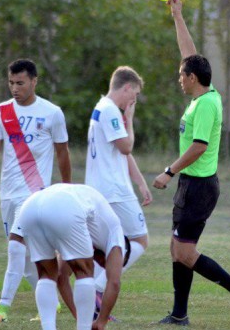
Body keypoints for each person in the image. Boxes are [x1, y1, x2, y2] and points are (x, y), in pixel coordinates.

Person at [152, 0, 230, 328]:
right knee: (175, 249)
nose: (178, 78)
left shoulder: (206, 106)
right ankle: (180, 315)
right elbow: (189, 54)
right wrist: (177, 15)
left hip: (198, 187)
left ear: (193, 78)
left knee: (184, 253)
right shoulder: (203, 94)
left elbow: (199, 146)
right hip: (192, 185)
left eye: (182, 75)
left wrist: (170, 171)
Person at [0, 58, 72, 322]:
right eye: (11, 82)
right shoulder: (2, 111)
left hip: (35, 193)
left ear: (34, 81)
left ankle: (2, 307)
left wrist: (66, 188)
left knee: (15, 246)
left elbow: (62, 153)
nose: (14, 88)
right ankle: (52, 300)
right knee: (29, 254)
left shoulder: (52, 112)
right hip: (8, 193)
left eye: (20, 83)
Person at [85, 66, 152, 315]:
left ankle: (90, 298)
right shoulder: (112, 111)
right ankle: (97, 288)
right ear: (126, 87)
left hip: (99, 189)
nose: (133, 100)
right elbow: (126, 146)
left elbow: (120, 153)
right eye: (133, 94)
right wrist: (130, 120)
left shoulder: (100, 107)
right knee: (140, 240)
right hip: (114, 192)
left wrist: (140, 182)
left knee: (103, 247)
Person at [18, 183, 127, 330]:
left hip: (29, 207)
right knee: (84, 272)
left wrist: (78, 315)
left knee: (46, 275)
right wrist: (101, 322)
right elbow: (114, 283)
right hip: (64, 205)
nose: (104, 265)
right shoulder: (116, 236)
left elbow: (62, 277)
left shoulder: (88, 231)